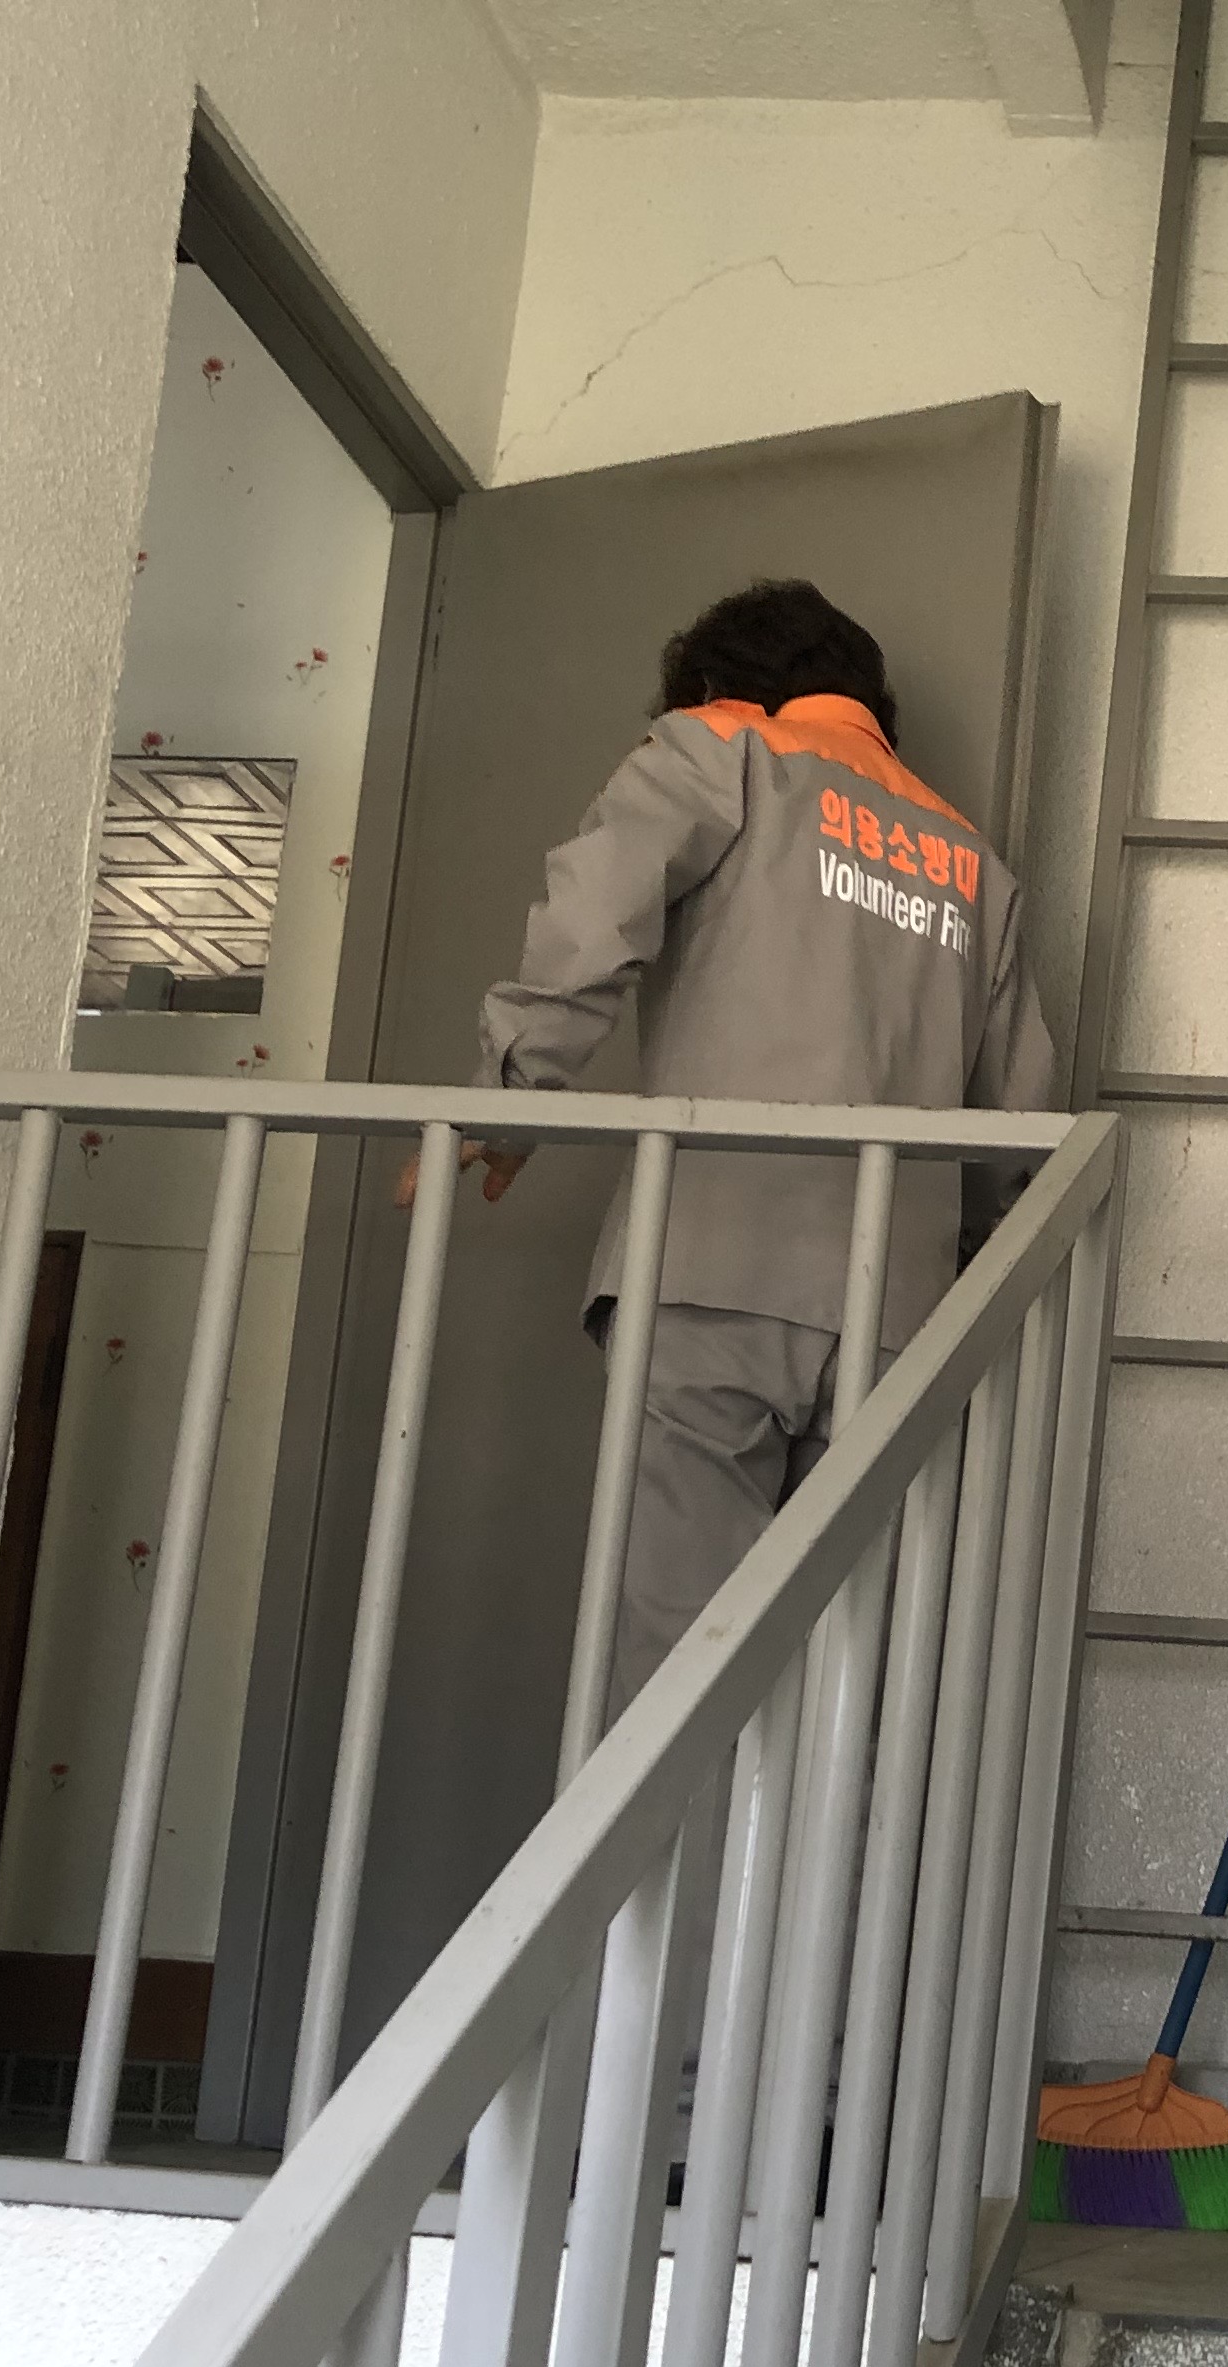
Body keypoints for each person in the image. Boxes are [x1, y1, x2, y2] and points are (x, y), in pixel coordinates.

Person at [418, 579, 1058, 1692]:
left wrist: (511, 1095)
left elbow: (593, 919)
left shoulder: (721, 751)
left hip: (714, 1269)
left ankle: (670, 1820)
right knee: (837, 1680)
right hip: (894, 1319)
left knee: (675, 1670)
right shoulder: (972, 864)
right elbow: (1017, 1139)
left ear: (722, 685)